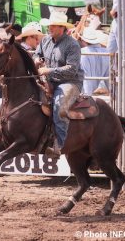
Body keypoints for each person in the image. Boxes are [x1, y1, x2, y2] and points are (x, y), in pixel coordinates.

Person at [35, 11, 84, 158]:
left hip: (70, 82)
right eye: (49, 25)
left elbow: (72, 69)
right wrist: (37, 59)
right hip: (49, 80)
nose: (50, 28)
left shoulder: (72, 45)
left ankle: (60, 146)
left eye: (53, 26)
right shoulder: (45, 41)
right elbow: (37, 54)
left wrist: (48, 70)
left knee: (59, 106)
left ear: (62, 28)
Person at [78, 28, 109, 95]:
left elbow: (86, 77)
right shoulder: (106, 52)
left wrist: (87, 96)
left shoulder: (83, 53)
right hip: (95, 88)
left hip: (84, 93)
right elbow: (108, 77)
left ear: (83, 40)